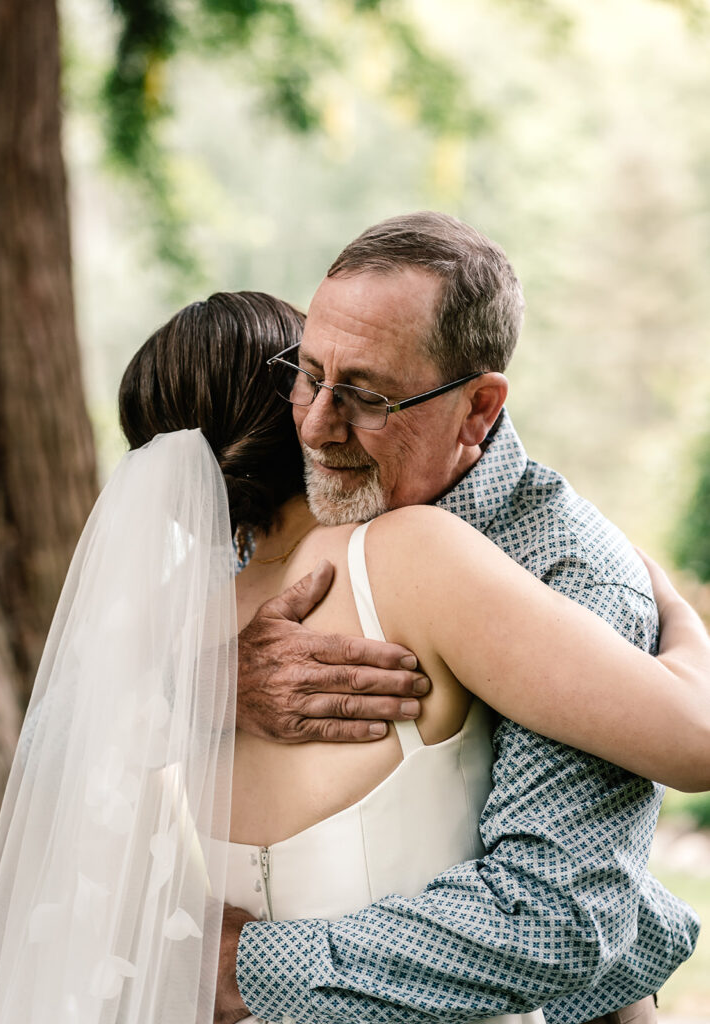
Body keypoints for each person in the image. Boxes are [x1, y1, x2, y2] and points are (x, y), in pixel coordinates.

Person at [115, 288, 707, 1024]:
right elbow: (694, 743)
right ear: (292, 410)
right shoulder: (409, 556)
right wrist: (680, 616)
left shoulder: (162, 628)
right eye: (316, 375)